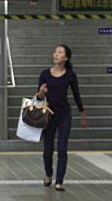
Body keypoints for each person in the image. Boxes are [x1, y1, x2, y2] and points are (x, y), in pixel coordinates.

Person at [35, 44, 87, 192]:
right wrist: (41, 93)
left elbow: (76, 95)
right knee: (48, 148)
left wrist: (82, 115)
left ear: (66, 57)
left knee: (62, 148)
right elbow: (38, 98)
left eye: (60, 52)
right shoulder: (45, 74)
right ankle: (49, 174)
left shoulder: (70, 75)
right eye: (55, 52)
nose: (56, 54)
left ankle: (59, 181)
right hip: (48, 115)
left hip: (64, 115)